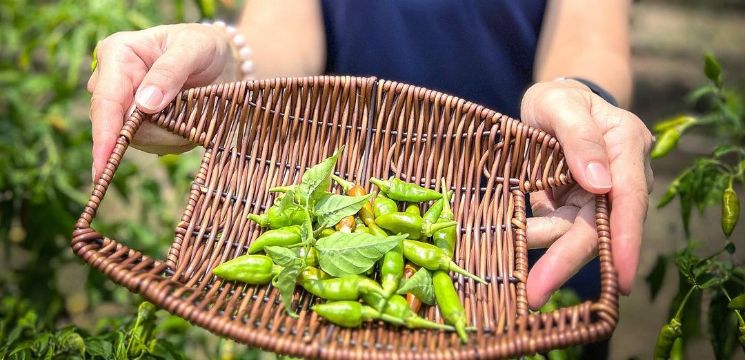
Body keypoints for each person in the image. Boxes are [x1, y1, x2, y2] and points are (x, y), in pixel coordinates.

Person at [88, 0, 652, 314]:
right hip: (352, 230)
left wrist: (581, 97)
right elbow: (283, 27)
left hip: (527, 228)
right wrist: (231, 71)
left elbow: (592, 30)